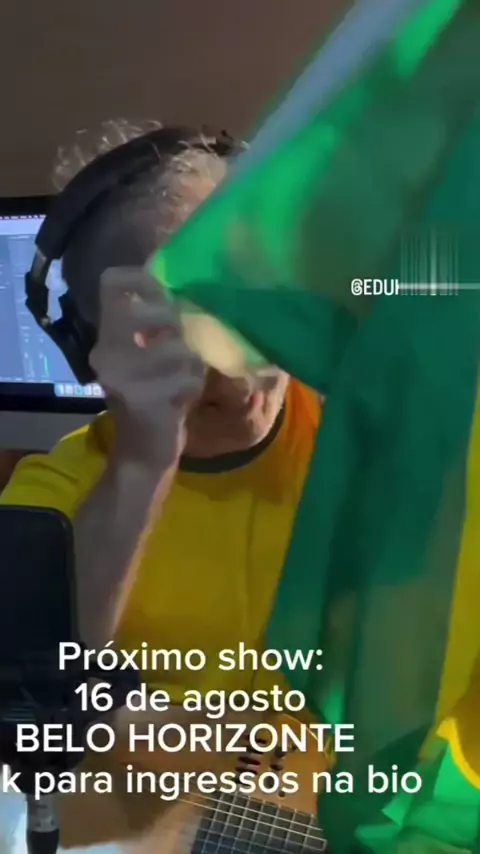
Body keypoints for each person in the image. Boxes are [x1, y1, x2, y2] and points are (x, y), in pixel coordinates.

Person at [0, 120, 323, 848]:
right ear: (90, 350)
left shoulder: (376, 443)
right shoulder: (57, 494)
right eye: (169, 328)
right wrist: (146, 458)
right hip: (150, 825)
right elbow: (28, 690)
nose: (235, 364)